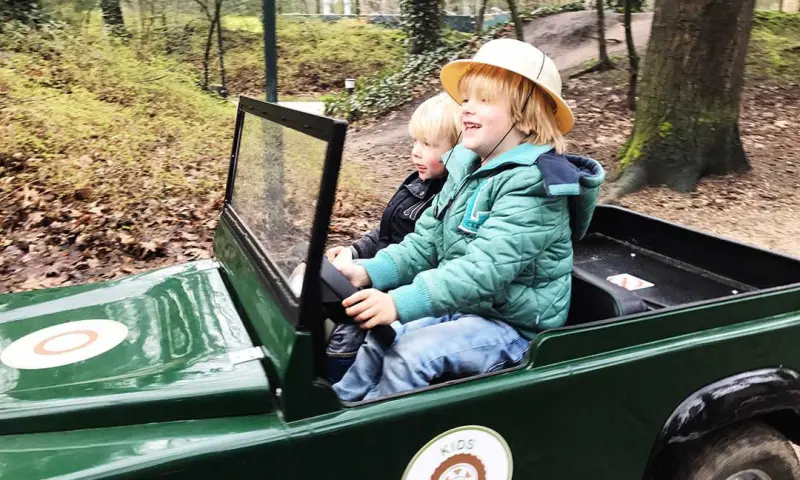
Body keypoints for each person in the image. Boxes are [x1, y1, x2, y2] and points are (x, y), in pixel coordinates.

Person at [331, 39, 606, 402]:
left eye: (484, 100)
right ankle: (333, 414)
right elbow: (425, 243)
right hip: (467, 308)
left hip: (513, 328)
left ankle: (372, 442)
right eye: (465, 100)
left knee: (409, 355)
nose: (466, 110)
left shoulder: (535, 186)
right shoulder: (465, 168)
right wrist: (367, 272)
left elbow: (483, 271)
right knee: (384, 335)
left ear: (525, 114)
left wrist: (398, 301)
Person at [323, 92, 461, 382]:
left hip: (406, 289)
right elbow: (385, 233)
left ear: (458, 151)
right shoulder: (416, 184)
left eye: (429, 145)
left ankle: (336, 387)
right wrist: (354, 250)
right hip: (382, 272)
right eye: (415, 142)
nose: (416, 151)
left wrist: (372, 277)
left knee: (345, 340)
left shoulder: (450, 199)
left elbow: (424, 258)